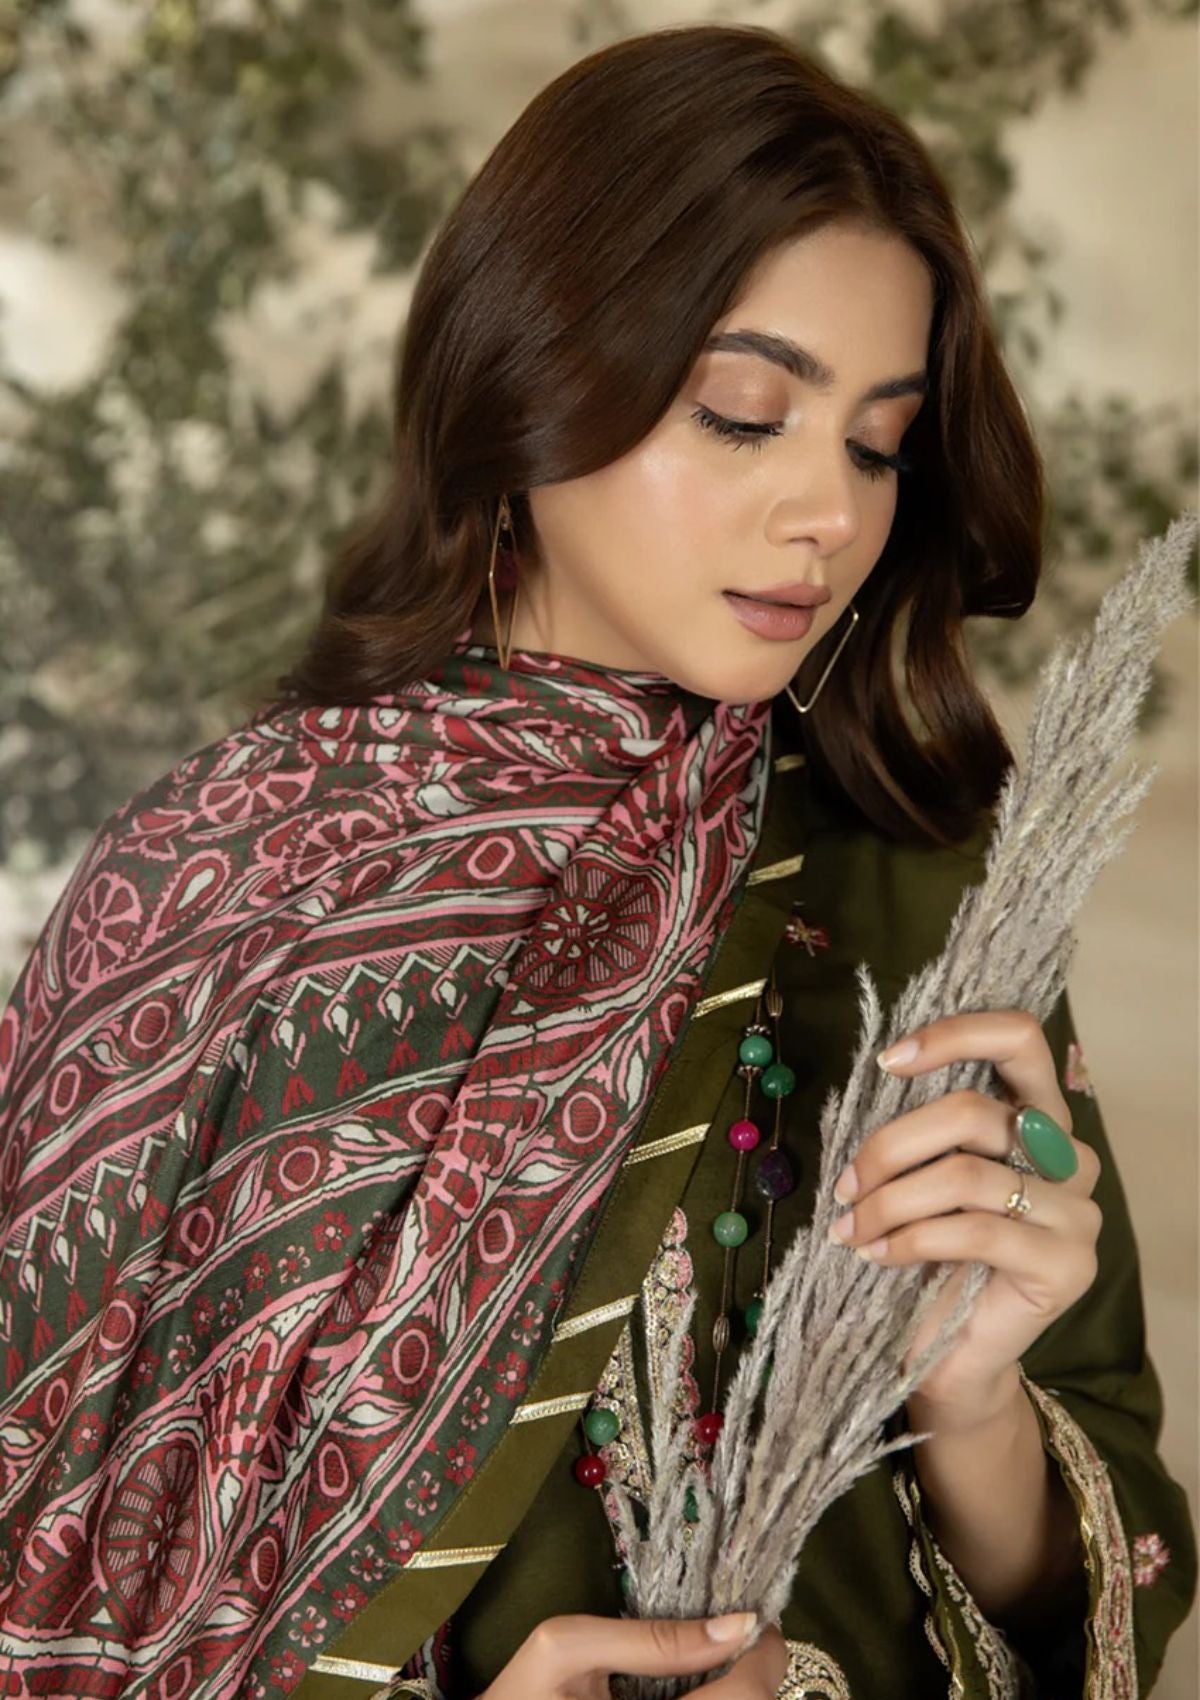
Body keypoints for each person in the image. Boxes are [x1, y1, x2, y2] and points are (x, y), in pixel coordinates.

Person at [0, 21, 1193, 1700]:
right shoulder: (213, 882)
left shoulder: (920, 892)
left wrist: (974, 1395)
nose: (830, 513)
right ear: (534, 377)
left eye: (876, 443)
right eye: (744, 415)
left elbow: (1106, 1577)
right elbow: (53, 1560)